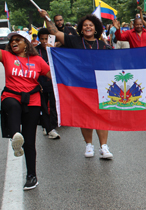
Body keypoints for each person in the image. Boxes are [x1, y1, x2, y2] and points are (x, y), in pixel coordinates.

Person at [39, 10, 115, 160]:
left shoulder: (103, 45)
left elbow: (112, 62)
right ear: (81, 28)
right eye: (85, 25)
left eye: (91, 25)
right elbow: (54, 31)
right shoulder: (74, 41)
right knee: (85, 115)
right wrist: (46, 18)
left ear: (96, 28)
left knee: (101, 115)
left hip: (100, 86)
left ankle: (104, 147)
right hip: (81, 85)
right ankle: (88, 145)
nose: (88, 27)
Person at [1, 31, 51, 190]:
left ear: (26, 43)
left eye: (18, 40)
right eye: (11, 41)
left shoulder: (37, 60)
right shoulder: (7, 56)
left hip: (32, 100)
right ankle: (16, 137)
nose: (13, 43)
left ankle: (32, 176)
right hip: (11, 96)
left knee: (30, 142)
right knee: (13, 106)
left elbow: (55, 76)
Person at [35, 28, 61, 139]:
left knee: (54, 104)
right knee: (43, 105)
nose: (44, 41)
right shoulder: (35, 51)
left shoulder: (54, 50)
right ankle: (45, 126)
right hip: (40, 82)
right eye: (42, 39)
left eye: (47, 38)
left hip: (53, 82)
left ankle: (52, 126)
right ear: (39, 39)